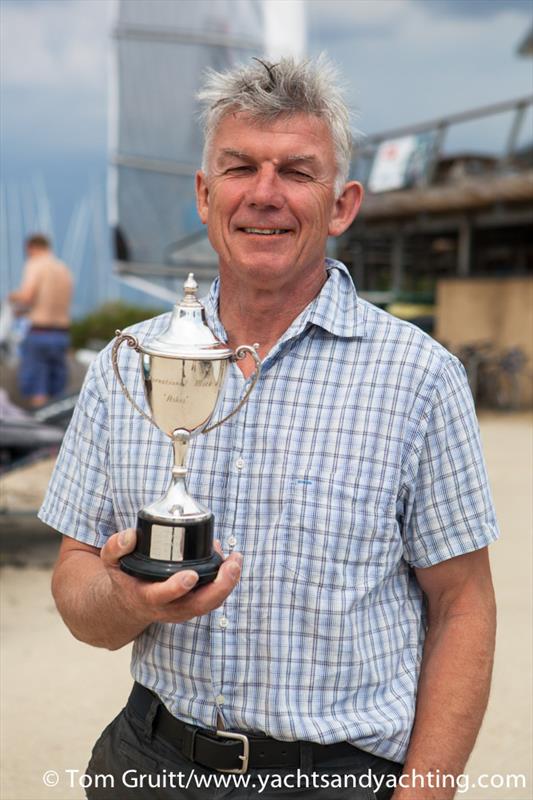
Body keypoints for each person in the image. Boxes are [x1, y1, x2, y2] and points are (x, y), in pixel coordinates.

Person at [42, 57, 498, 800]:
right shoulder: (129, 368)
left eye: (295, 171)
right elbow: (75, 583)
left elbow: (462, 605)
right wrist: (126, 599)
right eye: (239, 167)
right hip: (149, 761)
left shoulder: (419, 377)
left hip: (339, 779)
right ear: (203, 192)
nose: (264, 193)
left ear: (341, 203)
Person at [8, 234, 73, 408]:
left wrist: (12, 297)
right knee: (57, 389)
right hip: (61, 335)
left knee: (38, 388)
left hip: (39, 333)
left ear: (31, 248)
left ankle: (41, 431)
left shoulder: (35, 264)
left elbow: (27, 296)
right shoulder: (62, 268)